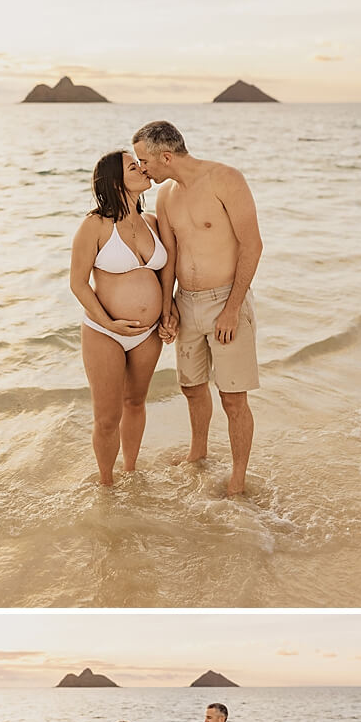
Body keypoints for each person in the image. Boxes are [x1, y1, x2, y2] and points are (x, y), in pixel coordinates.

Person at [132, 121, 263, 496]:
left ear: (166, 157)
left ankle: (238, 478)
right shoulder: (165, 196)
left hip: (227, 301)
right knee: (191, 387)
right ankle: (199, 453)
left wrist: (232, 307)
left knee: (233, 397)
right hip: (186, 304)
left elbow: (252, 246)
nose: (142, 169)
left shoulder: (226, 180)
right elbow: (170, 255)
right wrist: (168, 304)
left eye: (144, 161)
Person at [70, 151, 175, 485]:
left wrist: (167, 314)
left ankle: (130, 473)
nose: (143, 169)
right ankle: (106, 484)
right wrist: (108, 322)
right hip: (105, 331)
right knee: (106, 417)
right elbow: (77, 282)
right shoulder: (95, 225)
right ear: (116, 180)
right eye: (134, 166)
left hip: (148, 334)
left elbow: (164, 276)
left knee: (135, 402)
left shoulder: (153, 222)